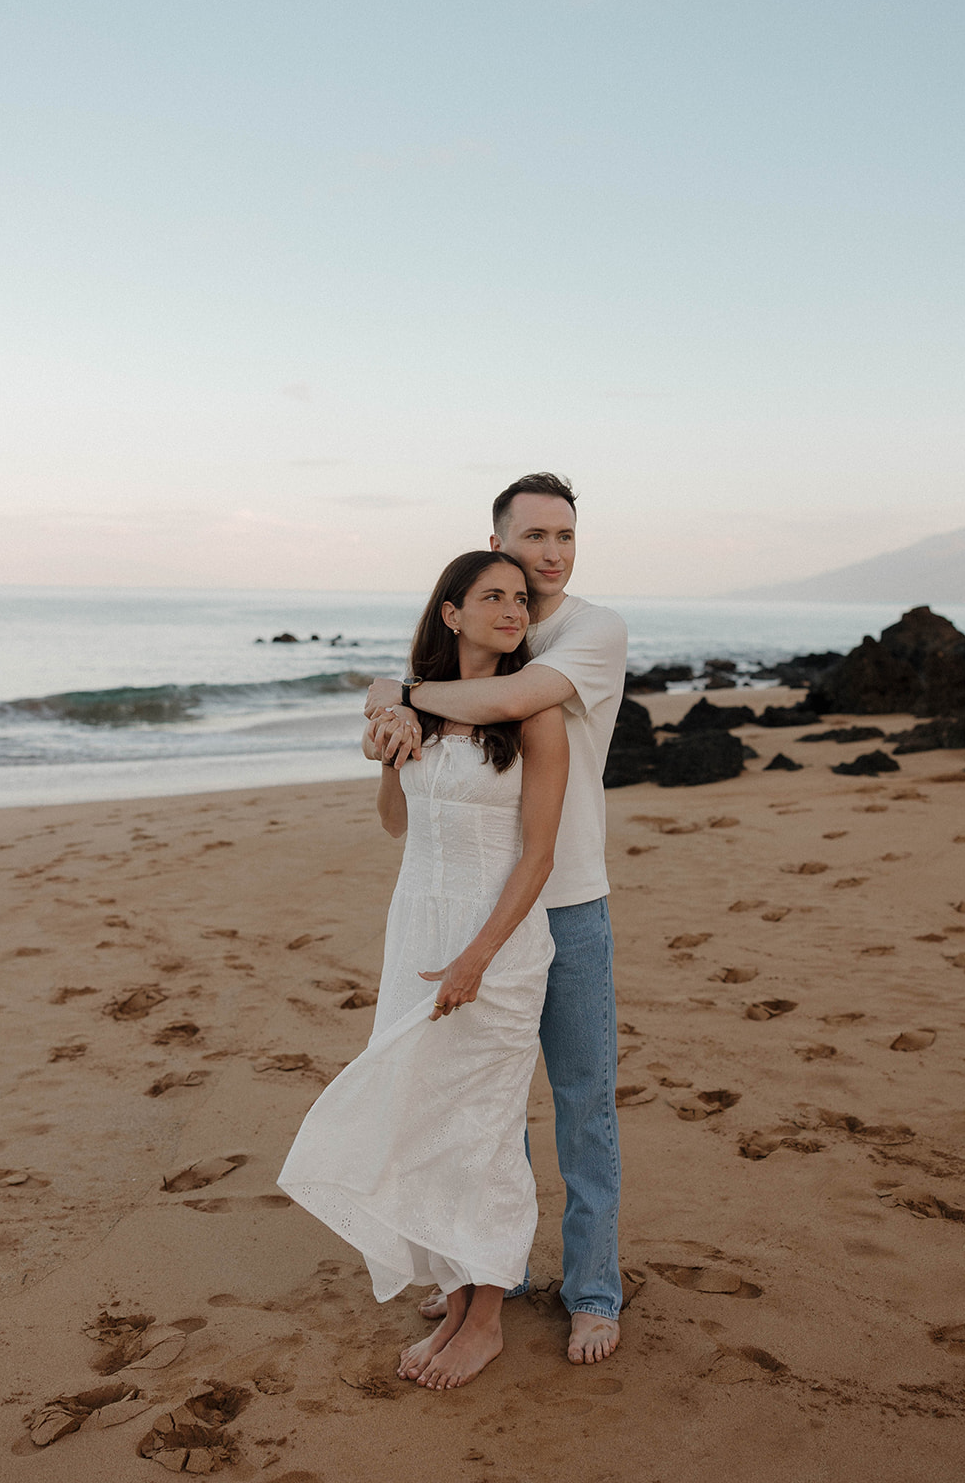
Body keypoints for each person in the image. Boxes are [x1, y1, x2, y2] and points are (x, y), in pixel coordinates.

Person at [279, 550, 568, 1391]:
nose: (512, 610)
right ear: (451, 613)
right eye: (493, 597)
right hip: (414, 933)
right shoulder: (417, 704)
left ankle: (485, 1317)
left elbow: (540, 854)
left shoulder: (533, 711)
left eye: (520, 599)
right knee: (419, 1117)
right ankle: (454, 1286)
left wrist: (479, 957)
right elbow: (394, 826)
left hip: (498, 942)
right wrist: (385, 754)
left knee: (479, 1127)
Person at [365, 474, 628, 1365]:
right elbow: (414, 788)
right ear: (497, 541)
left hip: (570, 900)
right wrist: (392, 709)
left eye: (564, 538)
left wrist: (394, 690)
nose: (549, 556)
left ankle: (594, 1291)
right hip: (472, 905)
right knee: (484, 1113)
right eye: (531, 541)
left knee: (583, 1107)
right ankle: (490, 1280)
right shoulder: (496, 616)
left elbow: (508, 704)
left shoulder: (588, 631)